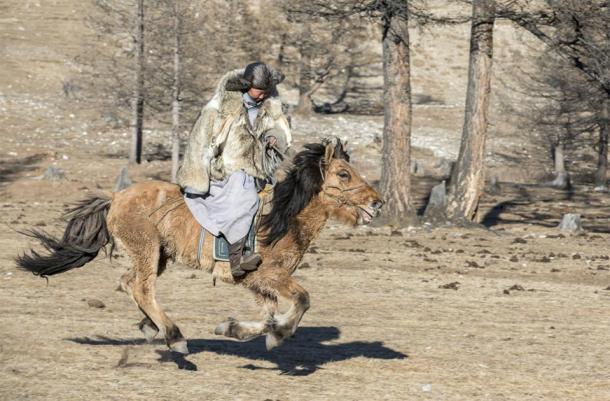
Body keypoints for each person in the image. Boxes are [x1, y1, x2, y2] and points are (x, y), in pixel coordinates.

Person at [178, 62, 292, 277]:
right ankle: (236, 259)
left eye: (266, 92)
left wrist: (274, 138)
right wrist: (202, 172)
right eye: (259, 91)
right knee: (245, 195)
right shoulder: (220, 109)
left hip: (258, 169)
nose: (262, 96)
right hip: (227, 169)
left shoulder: (269, 108)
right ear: (246, 86)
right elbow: (202, 140)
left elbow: (279, 130)